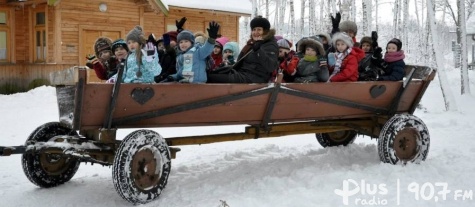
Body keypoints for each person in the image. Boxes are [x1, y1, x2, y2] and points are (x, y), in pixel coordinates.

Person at [207, 16, 279, 83]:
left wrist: (258, 50)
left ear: (265, 31)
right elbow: (240, 62)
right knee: (211, 73)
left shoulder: (270, 45)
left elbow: (270, 66)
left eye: (259, 29)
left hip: (255, 78)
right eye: (254, 29)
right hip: (243, 74)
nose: (256, 32)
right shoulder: (251, 44)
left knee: (211, 77)